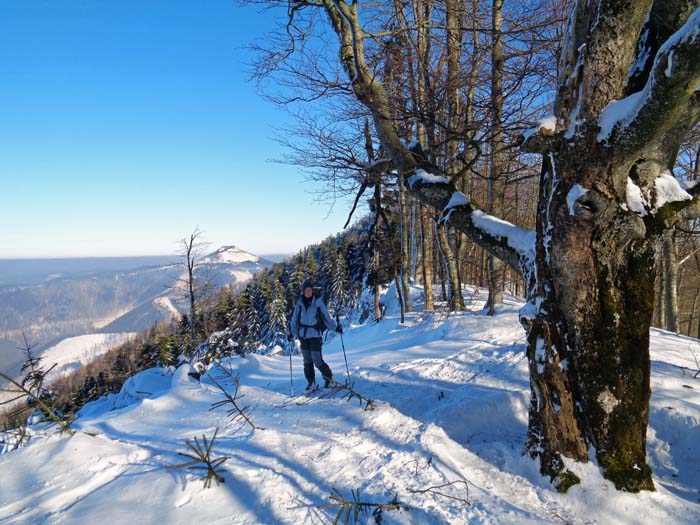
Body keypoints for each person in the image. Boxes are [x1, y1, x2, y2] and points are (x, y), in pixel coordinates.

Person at [290, 281, 343, 390]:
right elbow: (294, 319)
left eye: (310, 290)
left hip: (315, 335)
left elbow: (326, 317)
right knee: (307, 361)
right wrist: (292, 332)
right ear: (303, 291)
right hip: (303, 336)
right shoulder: (299, 304)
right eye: (306, 290)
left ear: (312, 291)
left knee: (317, 360)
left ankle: (329, 378)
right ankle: (311, 383)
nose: (308, 292)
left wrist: (335, 327)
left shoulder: (318, 303)